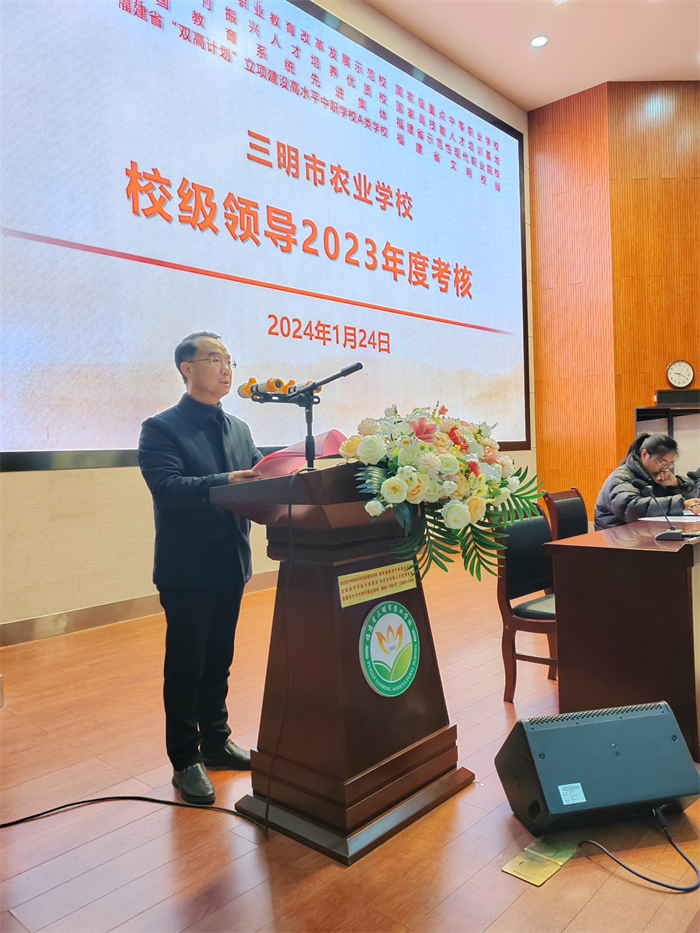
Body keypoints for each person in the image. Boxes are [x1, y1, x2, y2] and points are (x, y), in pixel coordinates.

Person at [138, 331, 262, 805]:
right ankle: (185, 759)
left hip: (232, 564)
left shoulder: (240, 429)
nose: (226, 368)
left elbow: (258, 478)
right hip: (187, 570)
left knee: (219, 661)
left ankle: (215, 741)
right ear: (187, 369)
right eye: (214, 359)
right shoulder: (161, 428)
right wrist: (226, 480)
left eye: (229, 360)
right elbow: (168, 488)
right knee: (187, 667)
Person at [594, 433, 700, 530]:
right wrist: (681, 503)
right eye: (662, 463)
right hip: (617, 535)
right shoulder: (622, 477)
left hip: (646, 532)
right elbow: (631, 508)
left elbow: (693, 497)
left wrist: (677, 484)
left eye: (670, 464)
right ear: (644, 454)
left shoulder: (659, 476)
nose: (665, 468)